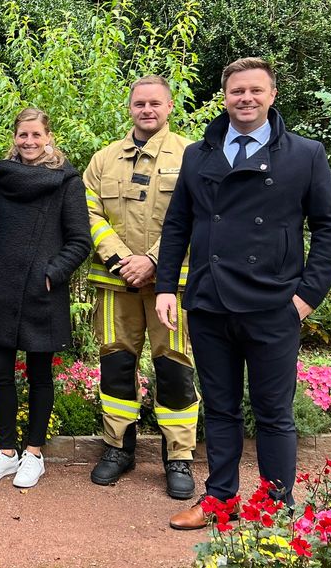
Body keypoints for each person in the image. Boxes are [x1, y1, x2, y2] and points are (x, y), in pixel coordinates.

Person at [157, 57, 331, 530]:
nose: (246, 98)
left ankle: (275, 507)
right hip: (208, 302)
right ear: (225, 96)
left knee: (273, 412)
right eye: (237, 91)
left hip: (273, 303)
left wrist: (305, 298)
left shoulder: (305, 154)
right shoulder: (199, 153)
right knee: (219, 409)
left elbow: (329, 229)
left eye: (255, 91)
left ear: (272, 95)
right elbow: (178, 223)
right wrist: (166, 286)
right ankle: (220, 499)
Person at [81, 77, 199, 499]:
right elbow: (88, 211)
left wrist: (151, 260)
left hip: (172, 285)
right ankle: (118, 449)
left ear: (169, 107)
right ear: (129, 107)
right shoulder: (103, 159)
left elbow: (196, 215)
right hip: (116, 284)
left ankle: (179, 458)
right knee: (116, 365)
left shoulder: (192, 155)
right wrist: (120, 258)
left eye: (155, 103)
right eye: (139, 103)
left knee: (174, 368)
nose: (147, 109)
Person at [0, 108, 91, 489]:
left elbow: (80, 241)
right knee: (0, 371)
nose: (29, 142)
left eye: (36, 135)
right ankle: (6, 451)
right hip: (2, 288)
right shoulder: (3, 177)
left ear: (48, 136)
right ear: (15, 137)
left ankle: (34, 454)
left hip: (42, 292)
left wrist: (51, 275)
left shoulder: (66, 181)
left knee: (40, 375)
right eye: (23, 135)